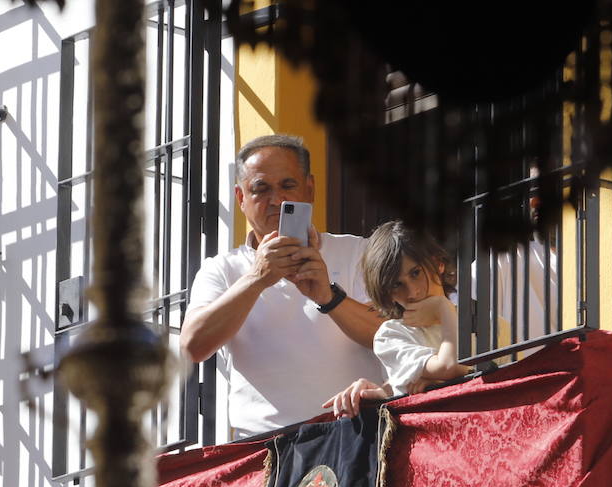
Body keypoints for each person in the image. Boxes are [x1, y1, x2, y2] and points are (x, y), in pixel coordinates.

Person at [180, 134, 385, 436]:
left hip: (357, 435)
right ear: (241, 199)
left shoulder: (359, 252)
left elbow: (395, 336)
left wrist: (330, 298)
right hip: (266, 452)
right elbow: (192, 347)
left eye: (288, 186)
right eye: (260, 189)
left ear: (310, 188)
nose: (276, 200)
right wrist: (256, 279)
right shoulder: (221, 270)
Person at [321, 221, 472, 417]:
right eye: (396, 285)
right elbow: (448, 366)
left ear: (438, 263)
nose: (412, 292)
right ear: (387, 294)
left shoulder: (486, 321)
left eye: (416, 273)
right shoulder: (391, 336)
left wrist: (444, 383)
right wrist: (443, 307)